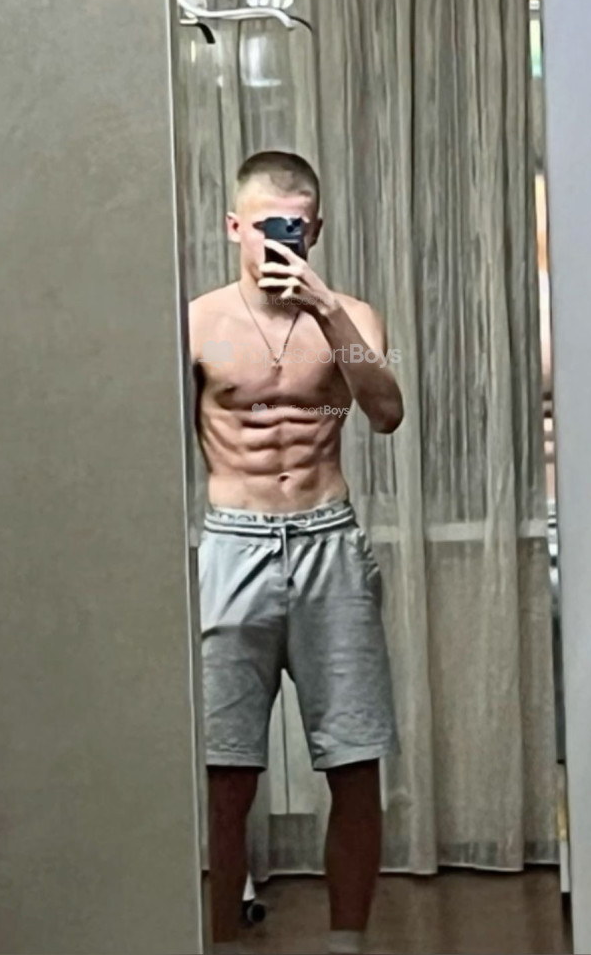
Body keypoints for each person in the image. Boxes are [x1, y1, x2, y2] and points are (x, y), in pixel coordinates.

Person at [189, 150, 403, 955]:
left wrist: (327, 313)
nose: (279, 238)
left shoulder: (352, 318)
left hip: (327, 542)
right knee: (224, 775)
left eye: (295, 225)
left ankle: (347, 943)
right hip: (233, 544)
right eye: (264, 225)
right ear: (233, 227)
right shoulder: (195, 322)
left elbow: (386, 411)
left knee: (354, 762)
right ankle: (218, 941)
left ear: (316, 229)